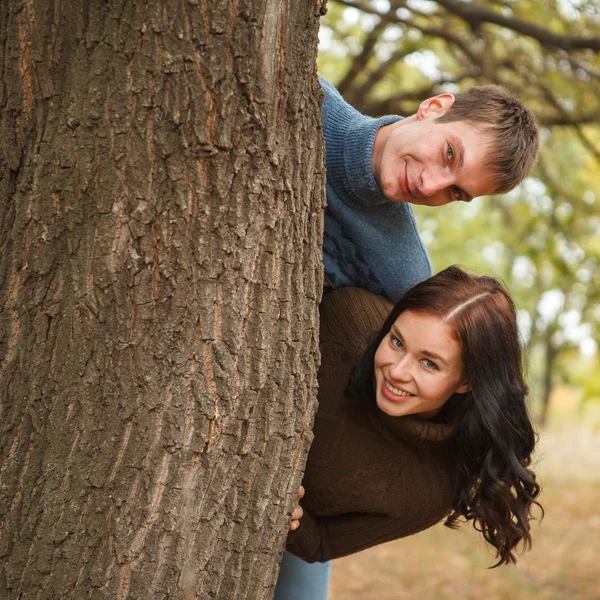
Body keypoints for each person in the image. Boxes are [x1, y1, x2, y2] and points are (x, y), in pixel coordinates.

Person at [274, 266, 542, 600]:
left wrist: (291, 517)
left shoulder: (430, 492)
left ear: (466, 381)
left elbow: (323, 542)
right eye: (397, 341)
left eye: (429, 363)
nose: (397, 371)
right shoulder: (346, 318)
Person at [320, 76, 540, 302]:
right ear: (433, 107)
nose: (428, 187)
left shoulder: (403, 277)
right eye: (449, 154)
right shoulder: (301, 90)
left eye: (455, 192)